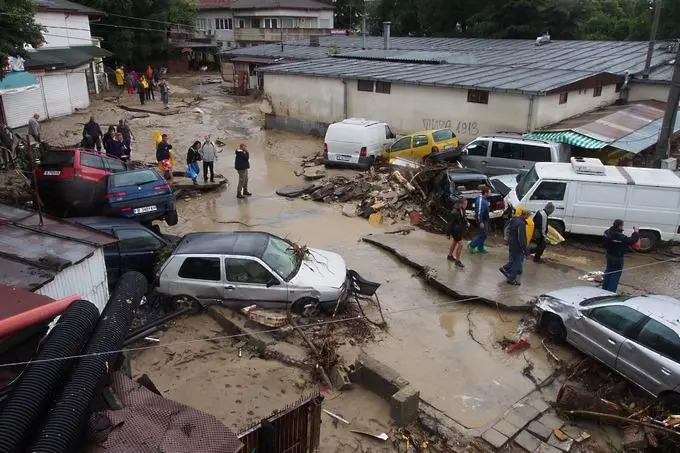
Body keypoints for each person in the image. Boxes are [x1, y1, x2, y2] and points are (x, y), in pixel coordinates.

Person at [602, 219, 639, 293]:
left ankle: (604, 289)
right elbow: (631, 240)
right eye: (622, 226)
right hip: (617, 256)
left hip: (609, 254)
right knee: (615, 274)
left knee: (609, 271)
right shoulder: (618, 235)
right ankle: (610, 293)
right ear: (619, 226)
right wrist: (636, 232)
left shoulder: (607, 232)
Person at [500, 208, 532, 285]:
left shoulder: (514, 219)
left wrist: (507, 239)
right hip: (517, 245)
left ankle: (504, 268)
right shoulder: (521, 224)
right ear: (526, 215)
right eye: (529, 215)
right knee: (516, 262)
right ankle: (511, 279)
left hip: (511, 243)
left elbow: (508, 229)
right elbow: (521, 238)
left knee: (514, 260)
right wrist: (526, 252)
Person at [467, 186, 491, 254]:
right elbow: (479, 212)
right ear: (485, 193)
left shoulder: (485, 199)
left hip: (485, 219)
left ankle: (480, 247)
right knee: (483, 234)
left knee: (483, 233)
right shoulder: (481, 201)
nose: (490, 194)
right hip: (482, 220)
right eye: (489, 192)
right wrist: (480, 222)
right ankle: (472, 245)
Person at [446, 198, 468, 268]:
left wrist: (466, 222)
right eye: (465, 204)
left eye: (466, 204)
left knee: (454, 242)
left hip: (459, 230)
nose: (466, 205)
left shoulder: (463, 210)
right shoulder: (454, 212)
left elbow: (463, 219)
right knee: (461, 245)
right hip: (455, 231)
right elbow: (450, 223)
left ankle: (450, 255)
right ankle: (457, 261)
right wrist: (448, 233)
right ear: (461, 204)